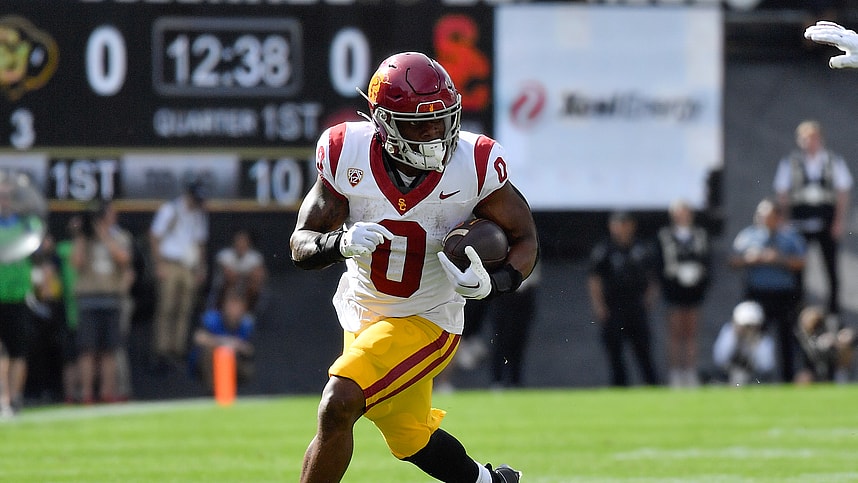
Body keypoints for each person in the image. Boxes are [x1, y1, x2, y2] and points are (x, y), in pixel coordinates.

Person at [290, 52, 538, 483]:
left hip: (427, 317)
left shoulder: (473, 163)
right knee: (408, 436)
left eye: (440, 121)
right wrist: (341, 242)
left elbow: (524, 239)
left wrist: (495, 283)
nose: (433, 134)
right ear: (384, 123)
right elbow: (301, 243)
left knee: (338, 402)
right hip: (364, 310)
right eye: (417, 125)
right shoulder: (346, 153)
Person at [773, 120, 852, 316]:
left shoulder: (833, 161)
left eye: (814, 138)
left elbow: (843, 192)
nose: (810, 142)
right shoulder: (790, 162)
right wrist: (784, 219)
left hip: (826, 221)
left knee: (831, 267)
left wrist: (839, 221)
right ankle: (798, 309)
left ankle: (834, 310)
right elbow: (782, 192)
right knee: (798, 267)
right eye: (806, 138)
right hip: (800, 222)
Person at [729, 198, 807, 382]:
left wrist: (778, 259)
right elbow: (732, 260)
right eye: (762, 216)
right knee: (751, 337)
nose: (765, 220)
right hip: (757, 294)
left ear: (778, 217)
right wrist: (751, 259)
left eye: (769, 216)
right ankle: (746, 379)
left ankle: (788, 378)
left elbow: (801, 262)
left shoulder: (790, 237)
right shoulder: (748, 236)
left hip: (783, 294)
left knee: (787, 339)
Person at [588, 211, 659, 387]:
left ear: (632, 226)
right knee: (615, 350)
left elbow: (652, 275)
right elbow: (595, 279)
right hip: (614, 305)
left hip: (636, 304)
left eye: (624, 224)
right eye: (617, 224)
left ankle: (652, 384)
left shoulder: (642, 248)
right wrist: (599, 306)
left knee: (643, 349)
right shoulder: (604, 249)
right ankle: (620, 386)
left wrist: (650, 297)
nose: (620, 229)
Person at [71, 201, 133, 404]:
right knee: (87, 349)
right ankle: (87, 393)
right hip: (88, 299)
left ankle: (108, 392)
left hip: (111, 298)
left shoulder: (120, 237)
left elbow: (123, 259)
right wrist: (81, 235)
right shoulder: (85, 239)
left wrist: (104, 235)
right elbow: (76, 263)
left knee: (109, 350)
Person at [149, 179, 209, 368]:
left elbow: (200, 243)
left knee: (185, 308)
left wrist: (201, 267)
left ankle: (178, 348)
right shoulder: (170, 209)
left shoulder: (199, 214)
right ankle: (162, 349)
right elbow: (154, 236)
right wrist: (158, 264)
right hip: (170, 263)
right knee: (167, 306)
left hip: (188, 266)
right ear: (188, 194)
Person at [655, 199, 711, 388]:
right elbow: (660, 265)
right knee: (675, 333)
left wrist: (698, 275)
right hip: (674, 290)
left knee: (691, 333)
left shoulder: (699, 235)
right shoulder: (666, 236)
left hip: (694, 290)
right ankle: (676, 373)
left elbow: (706, 261)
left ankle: (690, 372)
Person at [0, 180, 35, 417]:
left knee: (18, 351)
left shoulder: (27, 225)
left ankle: (15, 399)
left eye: (7, 197)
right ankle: (3, 399)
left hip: (18, 296)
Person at [191, 288, 255, 394]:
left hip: (235, 363)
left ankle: (229, 392)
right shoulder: (212, 318)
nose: (234, 309)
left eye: (237, 305)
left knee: (231, 356)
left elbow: (250, 349)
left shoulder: (246, 324)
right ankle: (213, 392)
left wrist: (237, 346)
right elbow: (199, 337)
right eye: (231, 304)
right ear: (224, 305)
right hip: (204, 364)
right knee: (213, 351)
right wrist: (224, 342)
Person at [489, 264, 540, 389]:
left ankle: (515, 380)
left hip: (524, 295)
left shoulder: (532, 246)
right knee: (501, 338)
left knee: (520, 339)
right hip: (504, 294)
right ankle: (498, 380)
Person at [712, 300, 776, 387]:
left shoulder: (764, 340)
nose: (747, 330)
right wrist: (736, 340)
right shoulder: (729, 333)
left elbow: (766, 365)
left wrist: (753, 344)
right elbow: (720, 359)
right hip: (728, 376)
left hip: (755, 378)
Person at [206, 228, 267, 315]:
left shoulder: (255, 257)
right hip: (225, 291)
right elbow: (229, 275)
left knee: (255, 284)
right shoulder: (224, 255)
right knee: (230, 283)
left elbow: (259, 275)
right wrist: (244, 275)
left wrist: (245, 278)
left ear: (248, 244)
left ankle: (250, 313)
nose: (241, 245)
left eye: (243, 242)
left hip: (246, 291)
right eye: (239, 242)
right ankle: (222, 312)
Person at [793, 305, 855, 384]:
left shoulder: (832, 324)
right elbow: (810, 356)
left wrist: (837, 340)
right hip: (815, 369)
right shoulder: (803, 338)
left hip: (837, 362)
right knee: (803, 377)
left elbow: (848, 334)